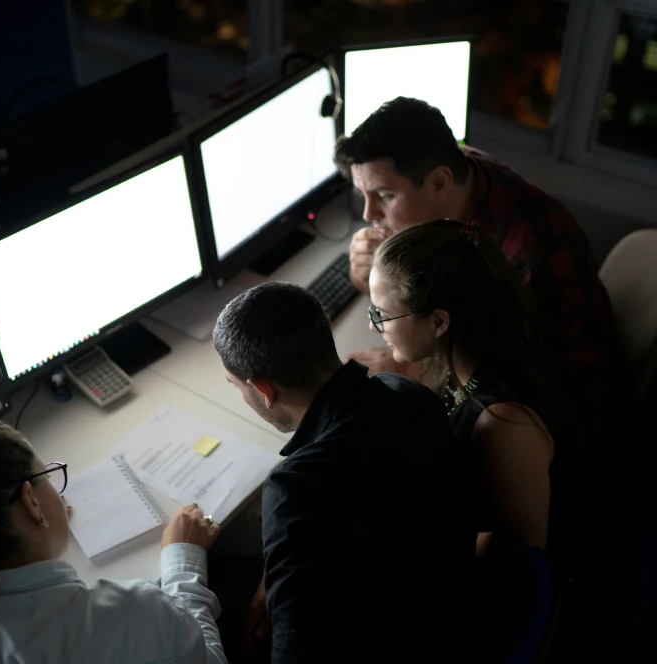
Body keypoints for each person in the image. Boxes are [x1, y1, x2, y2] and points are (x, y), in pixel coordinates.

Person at [213, 282, 474, 664]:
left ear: (264, 390)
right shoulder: (406, 392)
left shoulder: (295, 488)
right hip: (452, 615)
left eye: (237, 387)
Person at [335, 97, 619, 423]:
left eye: (384, 196)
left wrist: (416, 369)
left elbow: (524, 377)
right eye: (363, 195)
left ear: (439, 183)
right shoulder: (454, 168)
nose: (369, 214)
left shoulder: (531, 253)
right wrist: (376, 276)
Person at [0, 418, 227, 664]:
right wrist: (183, 559)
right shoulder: (137, 616)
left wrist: (41, 529)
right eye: (48, 478)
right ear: (31, 501)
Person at [369, 219, 577, 559]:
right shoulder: (466, 356)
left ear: (439, 322)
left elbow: (522, 562)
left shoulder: (505, 425)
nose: (373, 325)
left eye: (381, 314)